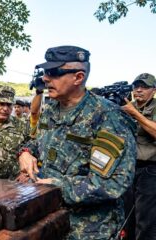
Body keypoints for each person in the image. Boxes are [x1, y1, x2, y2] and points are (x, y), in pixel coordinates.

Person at [18, 45, 136, 239]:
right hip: (51, 219)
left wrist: (57, 187)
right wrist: (25, 152)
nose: (45, 78)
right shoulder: (50, 110)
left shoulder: (107, 117)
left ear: (78, 77)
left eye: (54, 72)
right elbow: (40, 143)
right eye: (45, 72)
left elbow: (113, 182)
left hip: (89, 229)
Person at [122, 73, 156, 240]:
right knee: (127, 215)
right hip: (128, 169)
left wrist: (135, 114)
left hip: (150, 170)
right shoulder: (128, 106)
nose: (139, 90)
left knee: (146, 220)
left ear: (154, 90)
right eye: (136, 86)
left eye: (144, 87)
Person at [0, 85, 28, 180]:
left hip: (11, 183)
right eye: (1, 104)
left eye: (9, 105)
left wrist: (25, 173)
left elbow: (31, 148)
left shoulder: (21, 125)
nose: (5, 108)